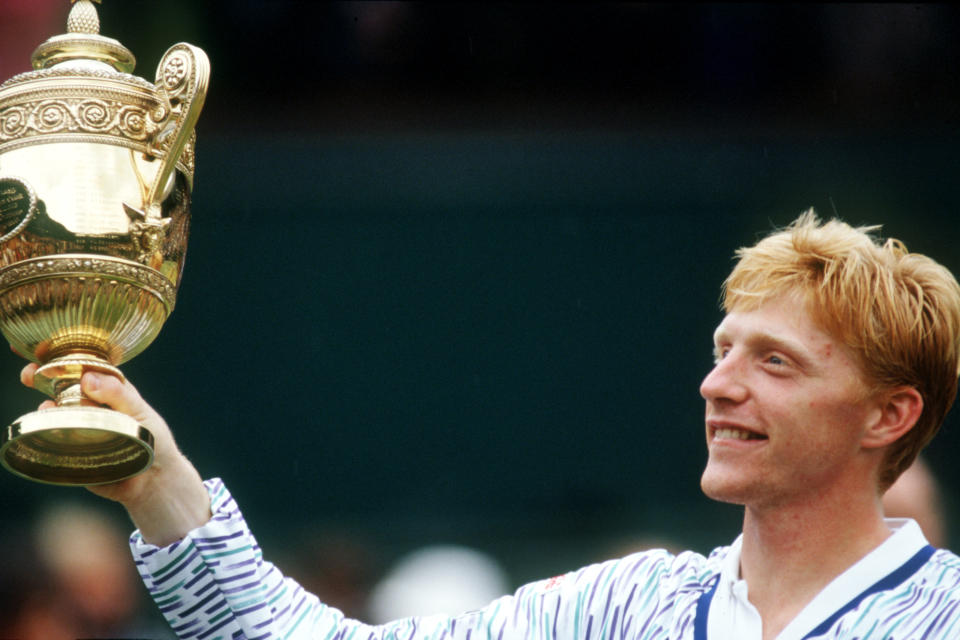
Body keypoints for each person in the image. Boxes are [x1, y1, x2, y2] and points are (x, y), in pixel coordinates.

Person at [21, 210, 960, 639]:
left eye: (775, 361)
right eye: (723, 349)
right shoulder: (630, 607)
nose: (720, 385)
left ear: (890, 414)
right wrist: (159, 481)